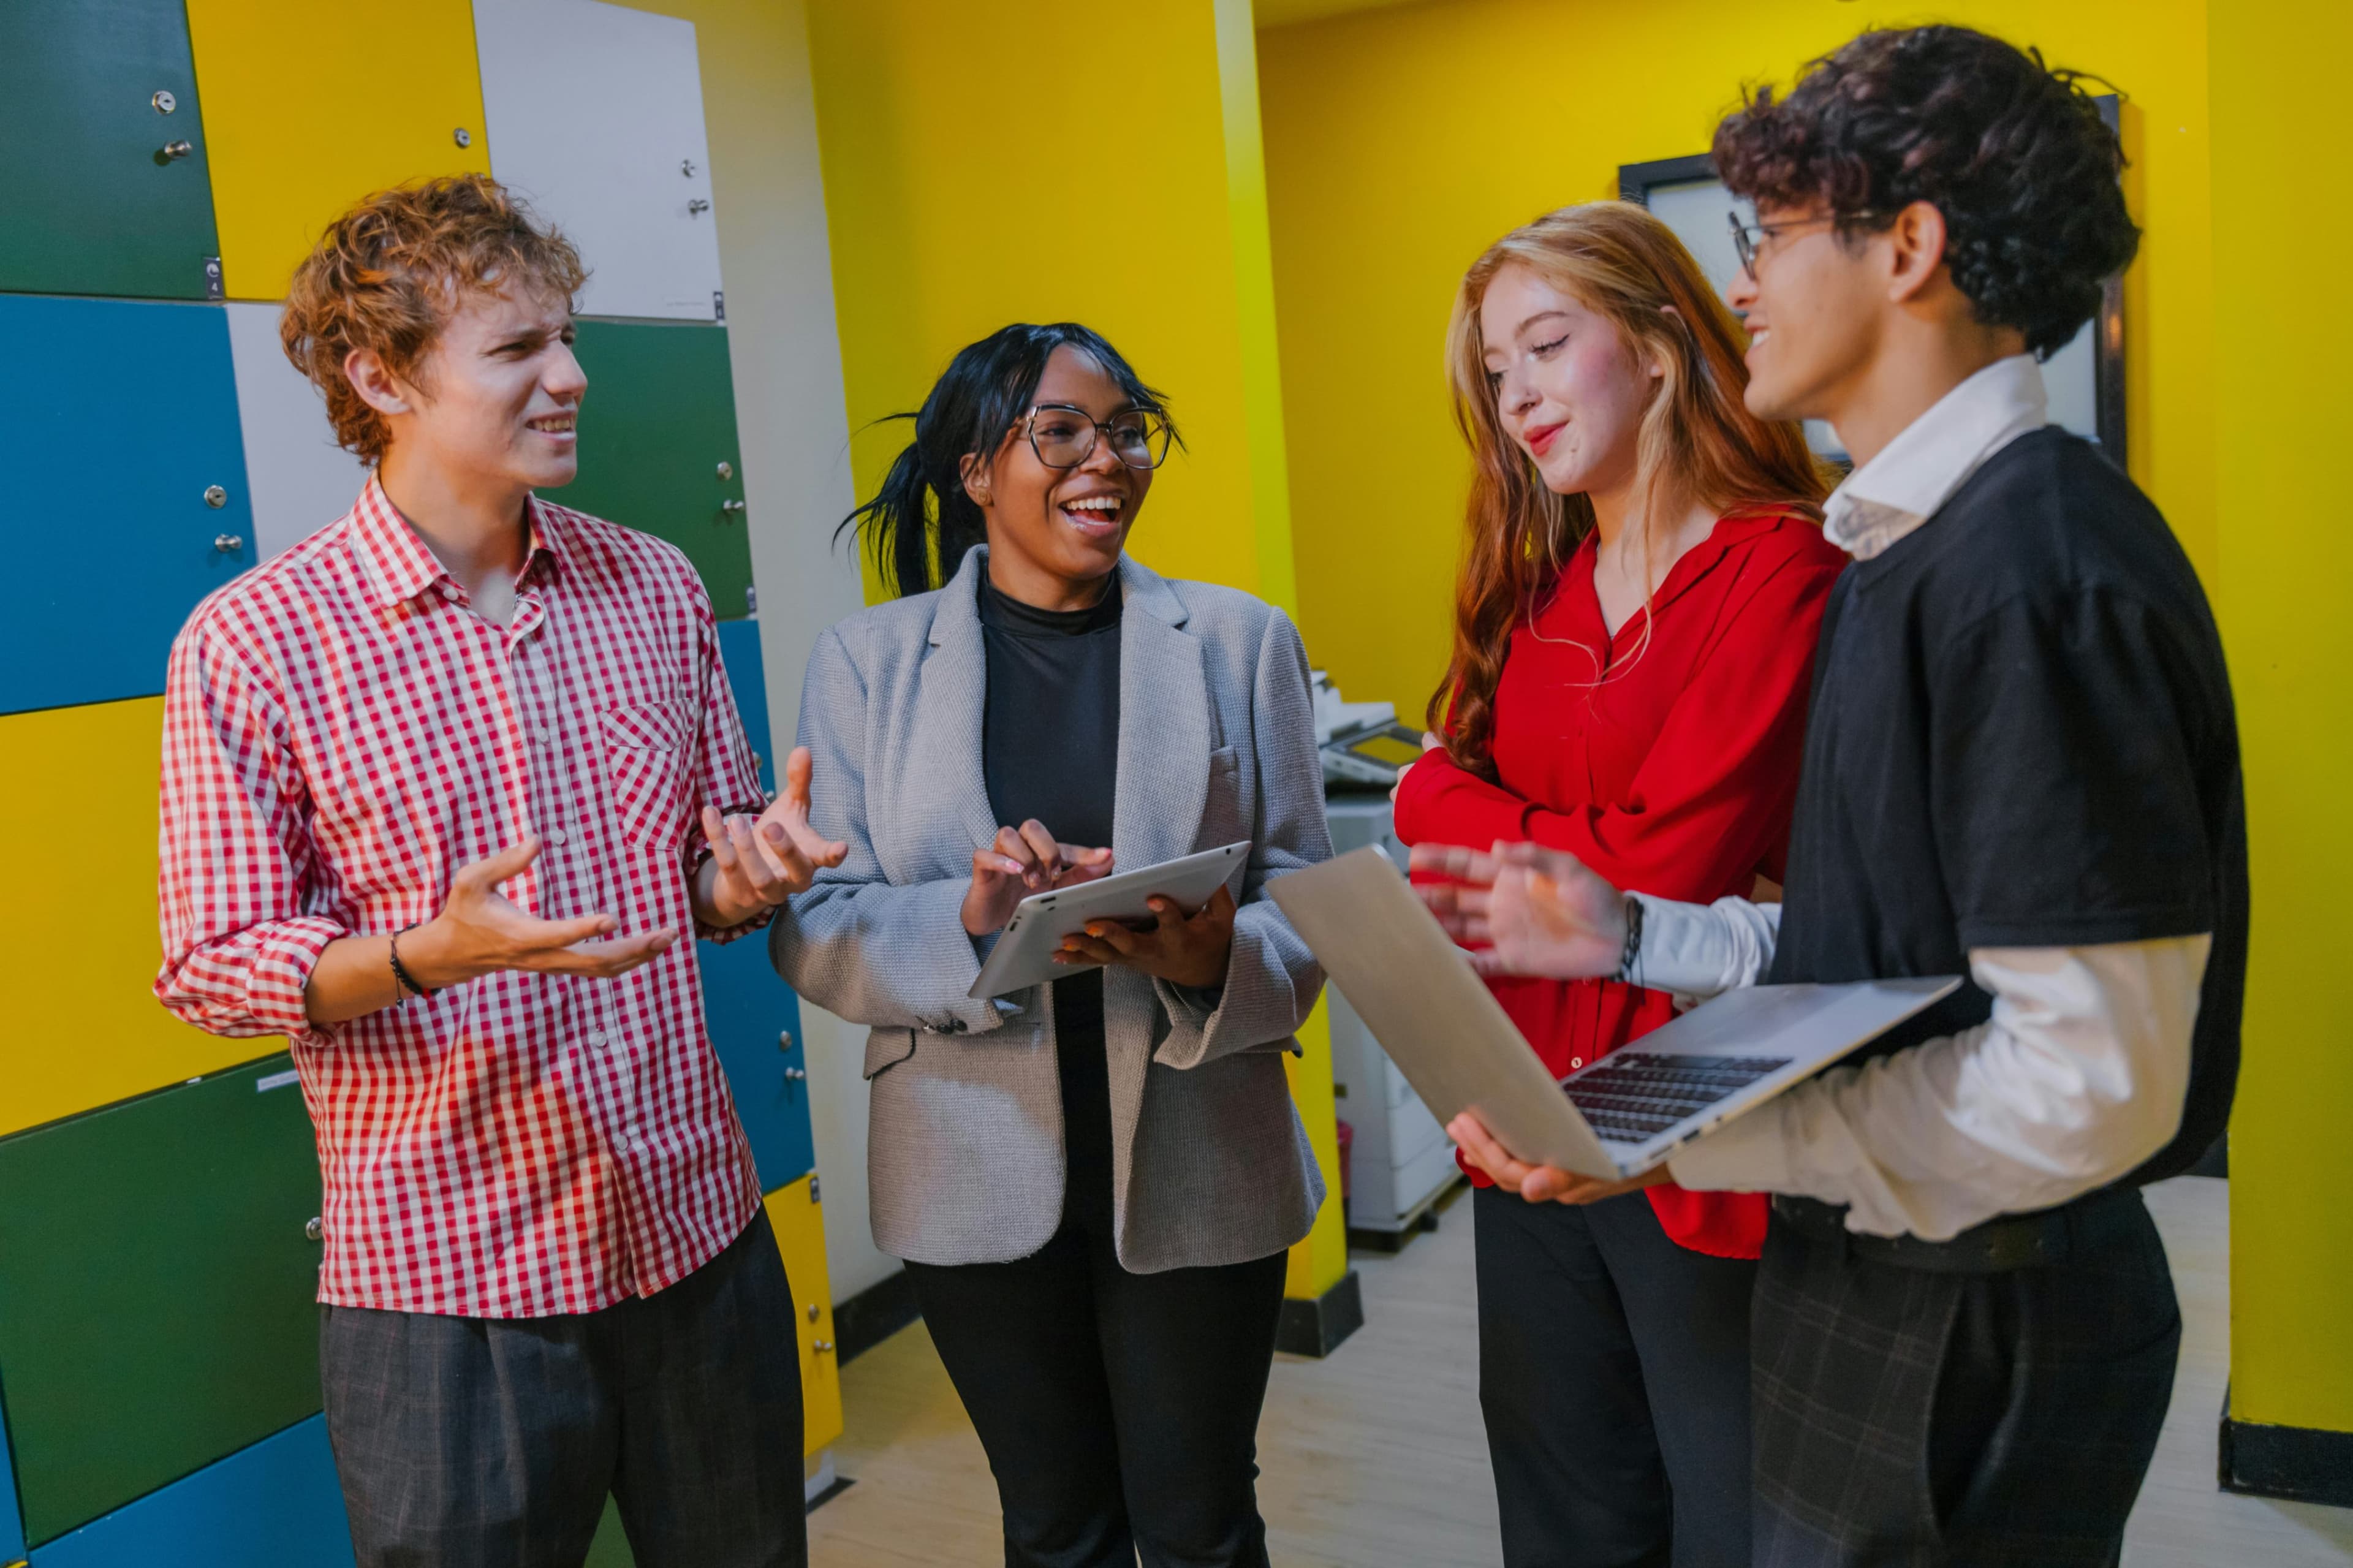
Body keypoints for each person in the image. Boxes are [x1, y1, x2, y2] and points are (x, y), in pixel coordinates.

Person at [1417, 26, 2244, 1567]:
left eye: (1776, 236)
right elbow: (1883, 954)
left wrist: (1684, 1143)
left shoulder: (2027, 572)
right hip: (1892, 1277)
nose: (1742, 288)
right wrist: (1637, 934)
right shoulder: (1911, 552)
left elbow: (2089, 1087)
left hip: (1980, 1310)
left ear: (1908, 248)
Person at [156, 174, 841, 1568]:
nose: (572, 376)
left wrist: (749, 878)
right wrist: (428, 954)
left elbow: (695, 877)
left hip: (693, 1234)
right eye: (520, 347)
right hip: (446, 1286)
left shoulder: (656, 587)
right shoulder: (256, 641)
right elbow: (211, 965)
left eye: (567, 337)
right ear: (380, 377)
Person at [770, 323, 1329, 1568]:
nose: (1107, 460)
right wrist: (969, 922)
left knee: (1201, 1525)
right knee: (1053, 1528)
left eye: (1128, 431)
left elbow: (1305, 892)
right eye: (1063, 431)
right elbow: (815, 927)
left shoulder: (1240, 641)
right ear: (977, 470)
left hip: (1201, 1147)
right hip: (968, 1158)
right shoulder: (867, 664)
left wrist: (1211, 960)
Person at [1390, 202, 1843, 1567]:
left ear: (1654, 344)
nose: (1518, 396)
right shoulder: (1535, 598)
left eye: (1547, 346)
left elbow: (1659, 869)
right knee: (1564, 1520)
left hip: (1698, 1138)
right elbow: (1466, 840)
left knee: (1731, 1521)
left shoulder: (1782, 568)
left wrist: (1447, 798)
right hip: (1524, 1124)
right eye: (1496, 371)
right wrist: (1457, 809)